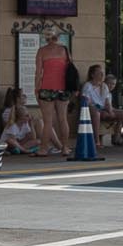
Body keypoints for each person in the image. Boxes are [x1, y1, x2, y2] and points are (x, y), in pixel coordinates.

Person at [35, 28, 77, 156]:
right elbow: (71, 69)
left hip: (46, 88)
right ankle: (65, 148)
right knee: (63, 119)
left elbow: (38, 73)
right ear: (57, 37)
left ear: (46, 38)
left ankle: (43, 149)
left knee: (48, 121)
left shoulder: (42, 51)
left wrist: (36, 89)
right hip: (63, 88)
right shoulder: (64, 50)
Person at [79, 64, 117, 157]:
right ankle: (96, 141)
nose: (102, 75)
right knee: (96, 113)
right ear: (92, 74)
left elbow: (107, 102)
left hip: (103, 109)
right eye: (99, 73)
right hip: (93, 109)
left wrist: (110, 111)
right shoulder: (88, 85)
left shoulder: (104, 86)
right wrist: (97, 107)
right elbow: (86, 101)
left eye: (102, 73)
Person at [99, 67, 123, 146]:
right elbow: (105, 105)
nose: (111, 86)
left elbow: (109, 106)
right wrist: (112, 111)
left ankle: (116, 138)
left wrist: (114, 110)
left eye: (113, 84)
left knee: (121, 114)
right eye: (109, 83)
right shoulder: (103, 91)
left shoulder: (109, 94)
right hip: (102, 111)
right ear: (105, 83)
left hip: (107, 110)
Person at [0, 85, 38, 156]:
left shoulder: (25, 123)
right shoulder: (13, 125)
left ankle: (19, 149)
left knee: (37, 141)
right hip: (8, 144)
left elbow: (33, 137)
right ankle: (24, 150)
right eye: (27, 116)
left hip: (17, 144)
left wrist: (31, 124)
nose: (29, 117)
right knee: (11, 141)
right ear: (21, 118)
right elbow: (12, 140)